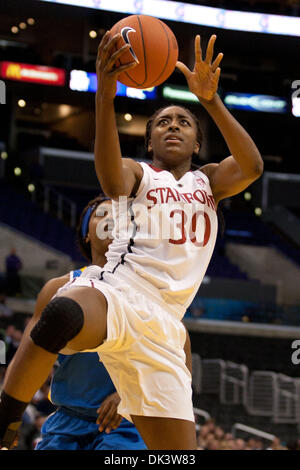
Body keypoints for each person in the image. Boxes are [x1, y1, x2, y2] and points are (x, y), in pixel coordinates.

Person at [0, 31, 263, 450]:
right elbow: (108, 178)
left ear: (197, 142)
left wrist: (211, 101)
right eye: (162, 122)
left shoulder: (209, 182)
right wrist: (105, 95)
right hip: (122, 291)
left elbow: (252, 165)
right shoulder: (141, 174)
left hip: (165, 323)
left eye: (183, 122)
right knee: (60, 314)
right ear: (150, 140)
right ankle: (6, 423)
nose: (172, 126)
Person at [3, 196, 147, 450]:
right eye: (101, 213)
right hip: (66, 422)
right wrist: (9, 418)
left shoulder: (151, 290)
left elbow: (180, 362)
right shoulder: (58, 288)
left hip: (127, 421)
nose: (111, 218)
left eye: (120, 215)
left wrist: (130, 396)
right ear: (86, 234)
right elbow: (27, 358)